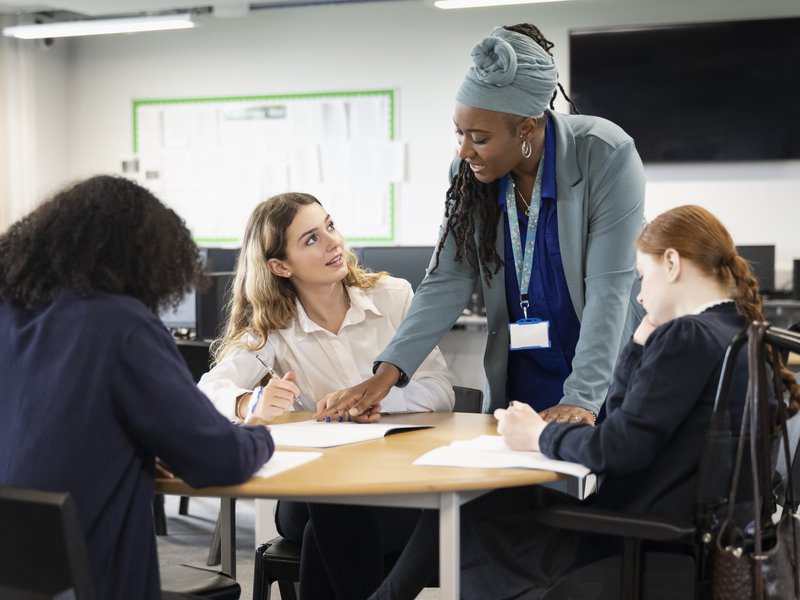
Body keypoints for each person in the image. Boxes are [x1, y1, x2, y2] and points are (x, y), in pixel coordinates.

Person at [366, 204, 800, 599]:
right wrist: (638, 340)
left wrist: (539, 435)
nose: (642, 296)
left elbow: (617, 446)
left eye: (642, 278)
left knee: (470, 508)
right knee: (488, 503)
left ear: (671, 263)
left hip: (637, 536)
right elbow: (625, 424)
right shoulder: (740, 332)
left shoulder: (687, 336)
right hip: (689, 533)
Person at [318, 23, 646, 425]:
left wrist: (582, 399)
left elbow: (609, 288)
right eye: (459, 133)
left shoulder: (604, 153)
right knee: (521, 484)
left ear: (526, 127)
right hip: (525, 372)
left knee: (605, 481)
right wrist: (388, 372)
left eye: (479, 137)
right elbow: (447, 279)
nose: (464, 149)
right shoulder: (470, 175)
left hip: (604, 374)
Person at [0, 175, 275, 600]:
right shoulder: (121, 325)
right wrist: (260, 431)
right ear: (147, 258)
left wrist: (138, 450)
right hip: (94, 581)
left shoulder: (9, 315)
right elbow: (220, 459)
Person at [197, 191, 454, 599]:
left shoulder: (394, 298)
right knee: (333, 503)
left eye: (329, 225)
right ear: (280, 266)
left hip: (392, 487)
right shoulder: (273, 326)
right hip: (311, 491)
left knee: (329, 526)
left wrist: (378, 399)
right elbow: (209, 389)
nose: (334, 242)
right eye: (311, 239)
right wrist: (251, 403)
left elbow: (441, 391)